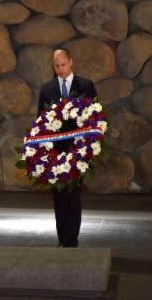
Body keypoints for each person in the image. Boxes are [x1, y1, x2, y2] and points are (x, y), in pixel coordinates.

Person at [37, 48, 97, 248]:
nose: (60, 69)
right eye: (56, 65)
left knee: (73, 196)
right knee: (58, 197)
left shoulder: (86, 86)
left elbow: (95, 117)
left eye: (63, 64)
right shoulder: (47, 89)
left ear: (71, 62)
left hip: (77, 151)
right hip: (54, 153)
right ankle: (62, 238)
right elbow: (41, 121)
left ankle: (72, 239)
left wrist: (87, 147)